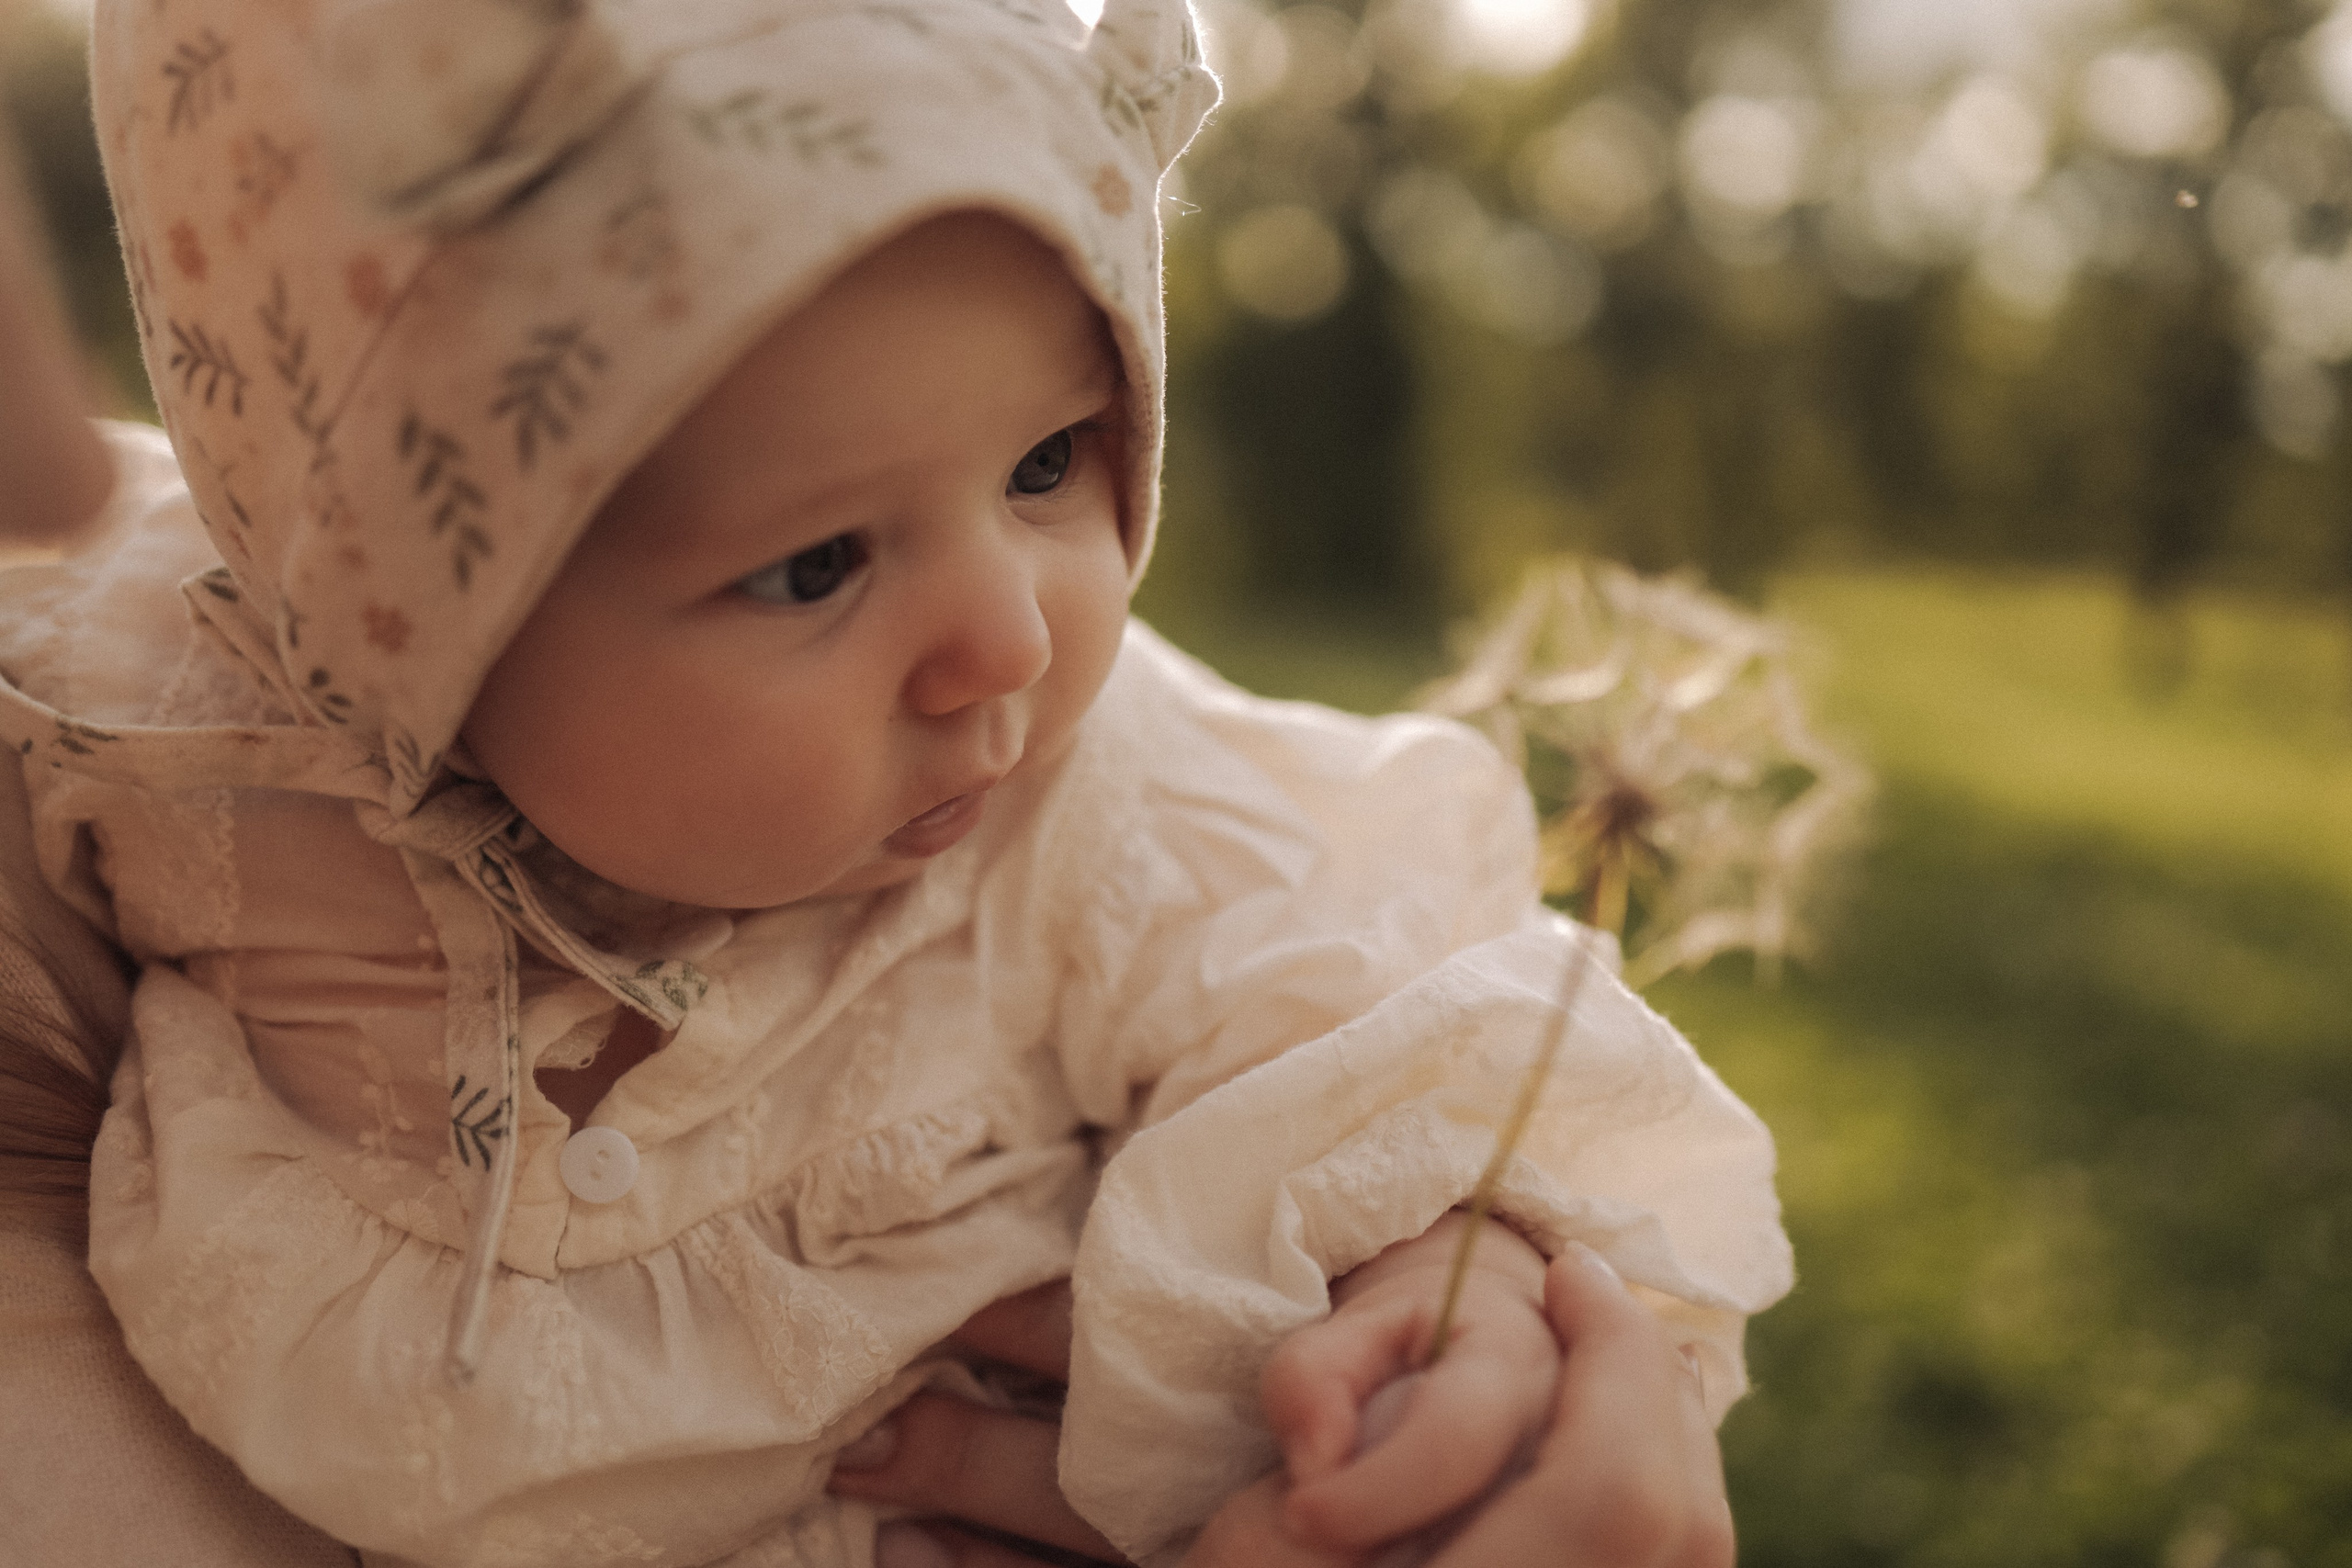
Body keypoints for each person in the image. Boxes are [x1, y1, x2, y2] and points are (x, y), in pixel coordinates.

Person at [0, 1, 1791, 1565]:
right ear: (397, 619)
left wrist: (1443, 1271)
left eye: (1045, 457)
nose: (1005, 640)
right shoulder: (168, 725)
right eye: (812, 564)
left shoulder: (1099, 807)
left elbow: (1380, 1010)